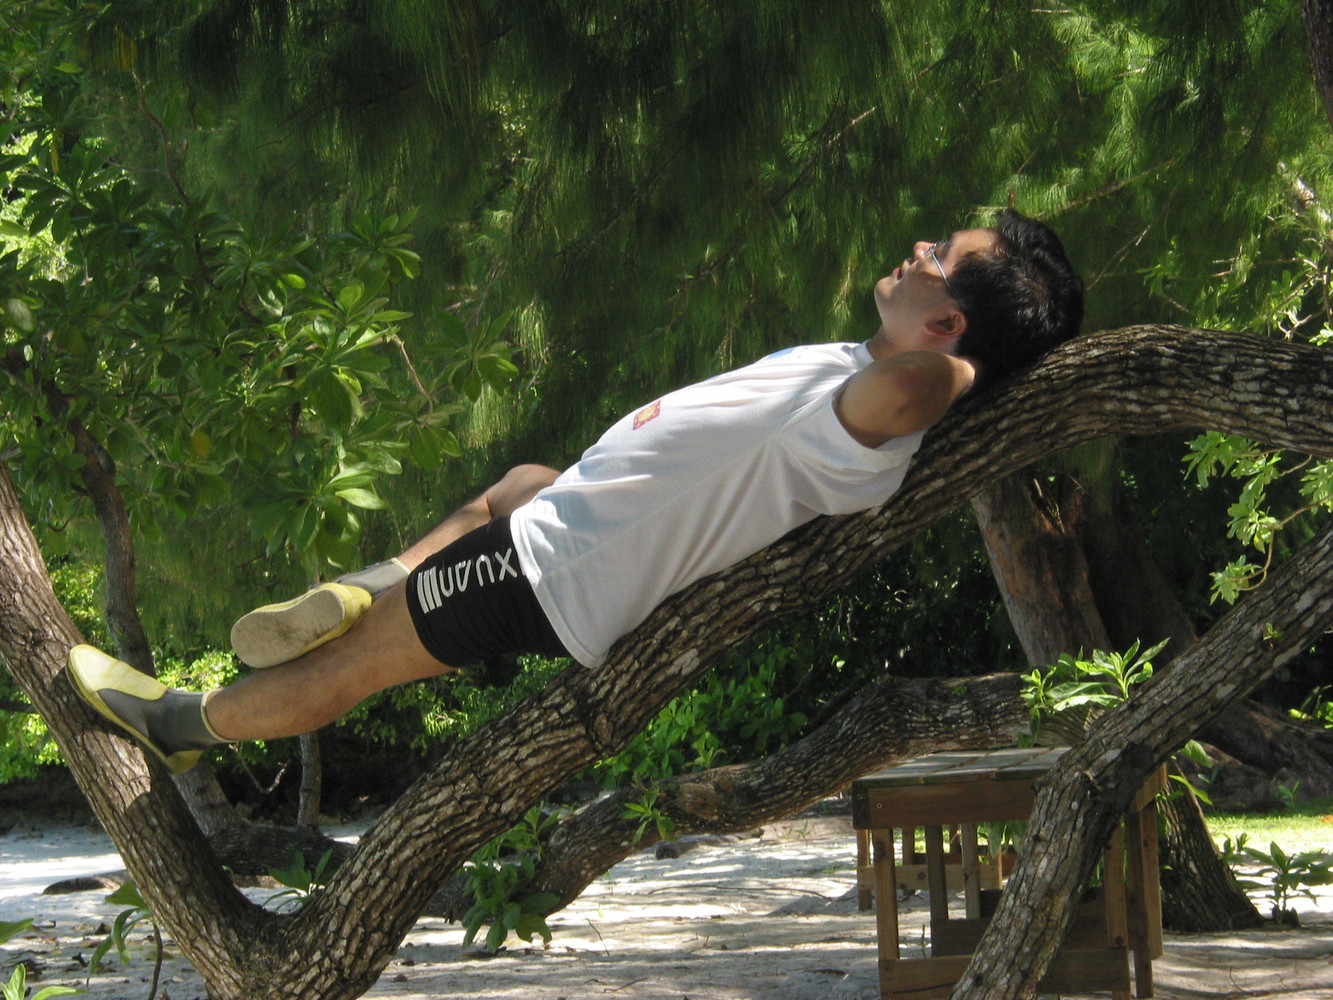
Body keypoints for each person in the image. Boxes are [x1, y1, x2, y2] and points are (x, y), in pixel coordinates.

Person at [68, 209, 1084, 774]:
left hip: (555, 571)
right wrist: (962, 333)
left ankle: (180, 726)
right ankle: (366, 582)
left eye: (940, 257)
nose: (918, 247)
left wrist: (967, 365)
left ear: (946, 327)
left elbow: (912, 388)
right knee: (518, 481)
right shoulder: (851, 370)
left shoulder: (876, 413)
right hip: (562, 523)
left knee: (361, 660)